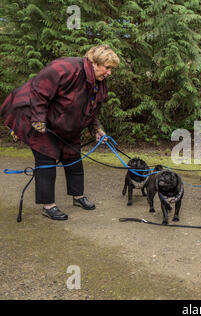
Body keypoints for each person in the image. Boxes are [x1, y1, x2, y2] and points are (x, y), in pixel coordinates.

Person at [0, 44, 120, 220]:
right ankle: (48, 206)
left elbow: (92, 107)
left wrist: (96, 128)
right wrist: (38, 120)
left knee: (73, 157)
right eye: (107, 68)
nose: (109, 73)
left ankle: (78, 197)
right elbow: (38, 91)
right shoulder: (65, 68)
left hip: (67, 124)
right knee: (46, 160)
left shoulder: (98, 82)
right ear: (94, 62)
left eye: (112, 69)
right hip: (36, 117)